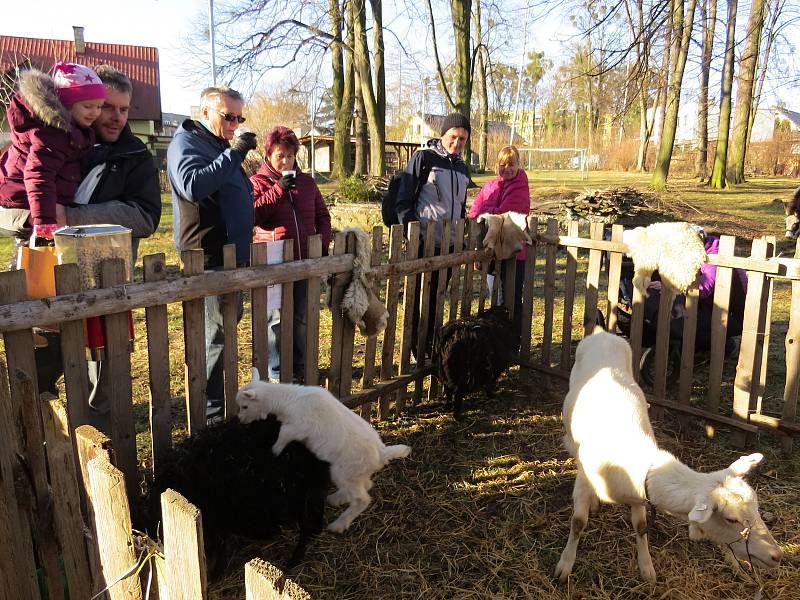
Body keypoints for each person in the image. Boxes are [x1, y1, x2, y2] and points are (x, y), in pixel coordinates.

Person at [31, 65, 162, 431]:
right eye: (107, 106)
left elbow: (145, 216)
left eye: (124, 109)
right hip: (47, 286)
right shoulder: (54, 143)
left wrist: (70, 216)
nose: (116, 117)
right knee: (42, 381)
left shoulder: (135, 156)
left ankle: (101, 465)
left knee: (101, 390)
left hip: (105, 288)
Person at [168, 86, 257, 420]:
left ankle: (217, 410)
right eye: (228, 116)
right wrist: (234, 152)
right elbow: (193, 185)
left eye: (239, 117)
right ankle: (211, 416)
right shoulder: (186, 143)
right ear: (205, 112)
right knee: (214, 341)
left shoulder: (218, 145)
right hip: (207, 258)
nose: (235, 124)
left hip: (231, 257)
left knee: (224, 334)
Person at [250, 126, 332, 382]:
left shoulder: (307, 182)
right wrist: (278, 190)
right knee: (274, 319)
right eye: (279, 155)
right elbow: (254, 214)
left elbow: (322, 215)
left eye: (290, 155)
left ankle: (300, 367)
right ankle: (275, 370)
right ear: (269, 155)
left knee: (302, 316)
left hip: (305, 260)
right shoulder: (258, 182)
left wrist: (322, 243)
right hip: (274, 262)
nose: (286, 161)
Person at [0, 61, 106, 255]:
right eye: (88, 106)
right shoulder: (51, 133)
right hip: (27, 203)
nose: (95, 113)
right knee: (38, 256)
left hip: (41, 205)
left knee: (45, 261)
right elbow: (38, 177)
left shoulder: (74, 131)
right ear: (67, 103)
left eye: (99, 106)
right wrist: (44, 226)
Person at [395, 113, 471, 358]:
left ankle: (429, 344)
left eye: (462, 139)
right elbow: (403, 199)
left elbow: (460, 205)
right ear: (443, 135)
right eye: (453, 137)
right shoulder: (424, 158)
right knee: (418, 298)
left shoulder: (462, 167)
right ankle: (414, 347)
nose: (456, 143)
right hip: (423, 242)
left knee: (437, 297)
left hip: (449, 243)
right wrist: (411, 231)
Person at [468, 145, 530, 347]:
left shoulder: (520, 185)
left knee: (511, 299)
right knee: (496, 296)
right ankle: (498, 340)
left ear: (518, 165)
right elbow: (474, 212)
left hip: (513, 253)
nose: (507, 169)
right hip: (492, 252)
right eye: (503, 164)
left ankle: (513, 343)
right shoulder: (490, 185)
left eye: (511, 164)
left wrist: (487, 211)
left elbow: (506, 212)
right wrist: (487, 212)